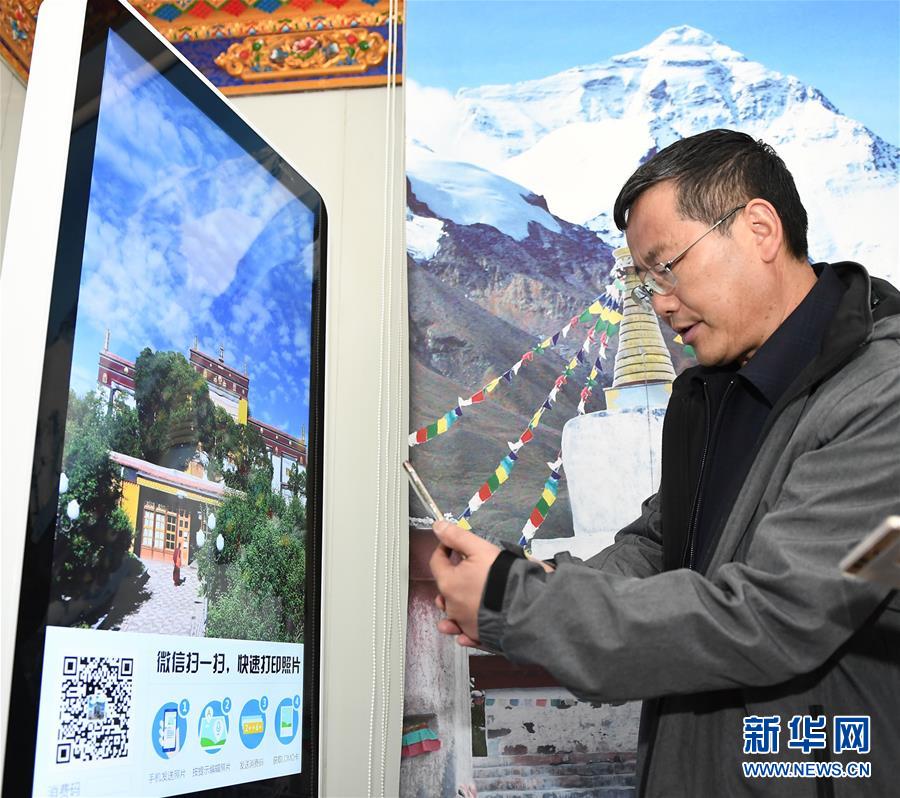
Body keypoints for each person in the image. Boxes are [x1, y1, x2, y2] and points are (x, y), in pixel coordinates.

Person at [430, 129, 900, 796]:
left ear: (760, 229)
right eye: (647, 280)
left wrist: (522, 604)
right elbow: (660, 548)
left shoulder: (885, 396)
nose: (660, 301)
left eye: (668, 267)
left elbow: (782, 616)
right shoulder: (708, 395)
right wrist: (521, 584)